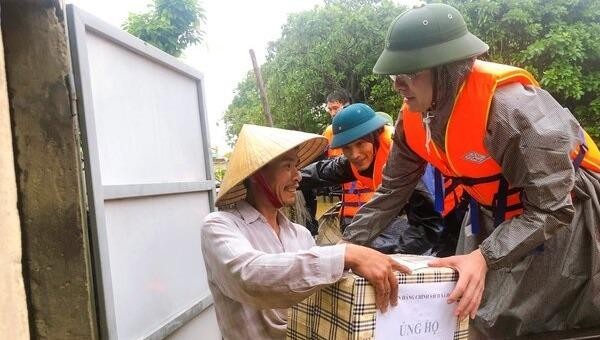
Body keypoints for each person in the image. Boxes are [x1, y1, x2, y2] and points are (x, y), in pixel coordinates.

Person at [342, 2, 600, 338]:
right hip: (490, 213)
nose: (397, 86)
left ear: (446, 70)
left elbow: (551, 208)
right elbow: (392, 192)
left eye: (409, 73)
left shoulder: (513, 110)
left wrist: (486, 256)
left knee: (522, 321)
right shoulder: (414, 120)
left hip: (565, 212)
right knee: (462, 310)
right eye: (395, 74)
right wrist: (344, 249)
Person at [201, 124, 409, 340]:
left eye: (297, 166)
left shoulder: (300, 234)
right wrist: (345, 254)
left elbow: (320, 285)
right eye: (288, 166)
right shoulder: (219, 226)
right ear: (256, 173)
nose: (298, 176)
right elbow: (249, 276)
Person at [301, 103, 458, 255]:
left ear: (375, 136)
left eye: (361, 143)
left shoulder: (403, 159)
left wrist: (392, 254)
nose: (355, 154)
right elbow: (322, 172)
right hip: (423, 217)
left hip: (449, 214)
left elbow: (428, 225)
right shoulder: (354, 160)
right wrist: (291, 177)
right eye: (347, 148)